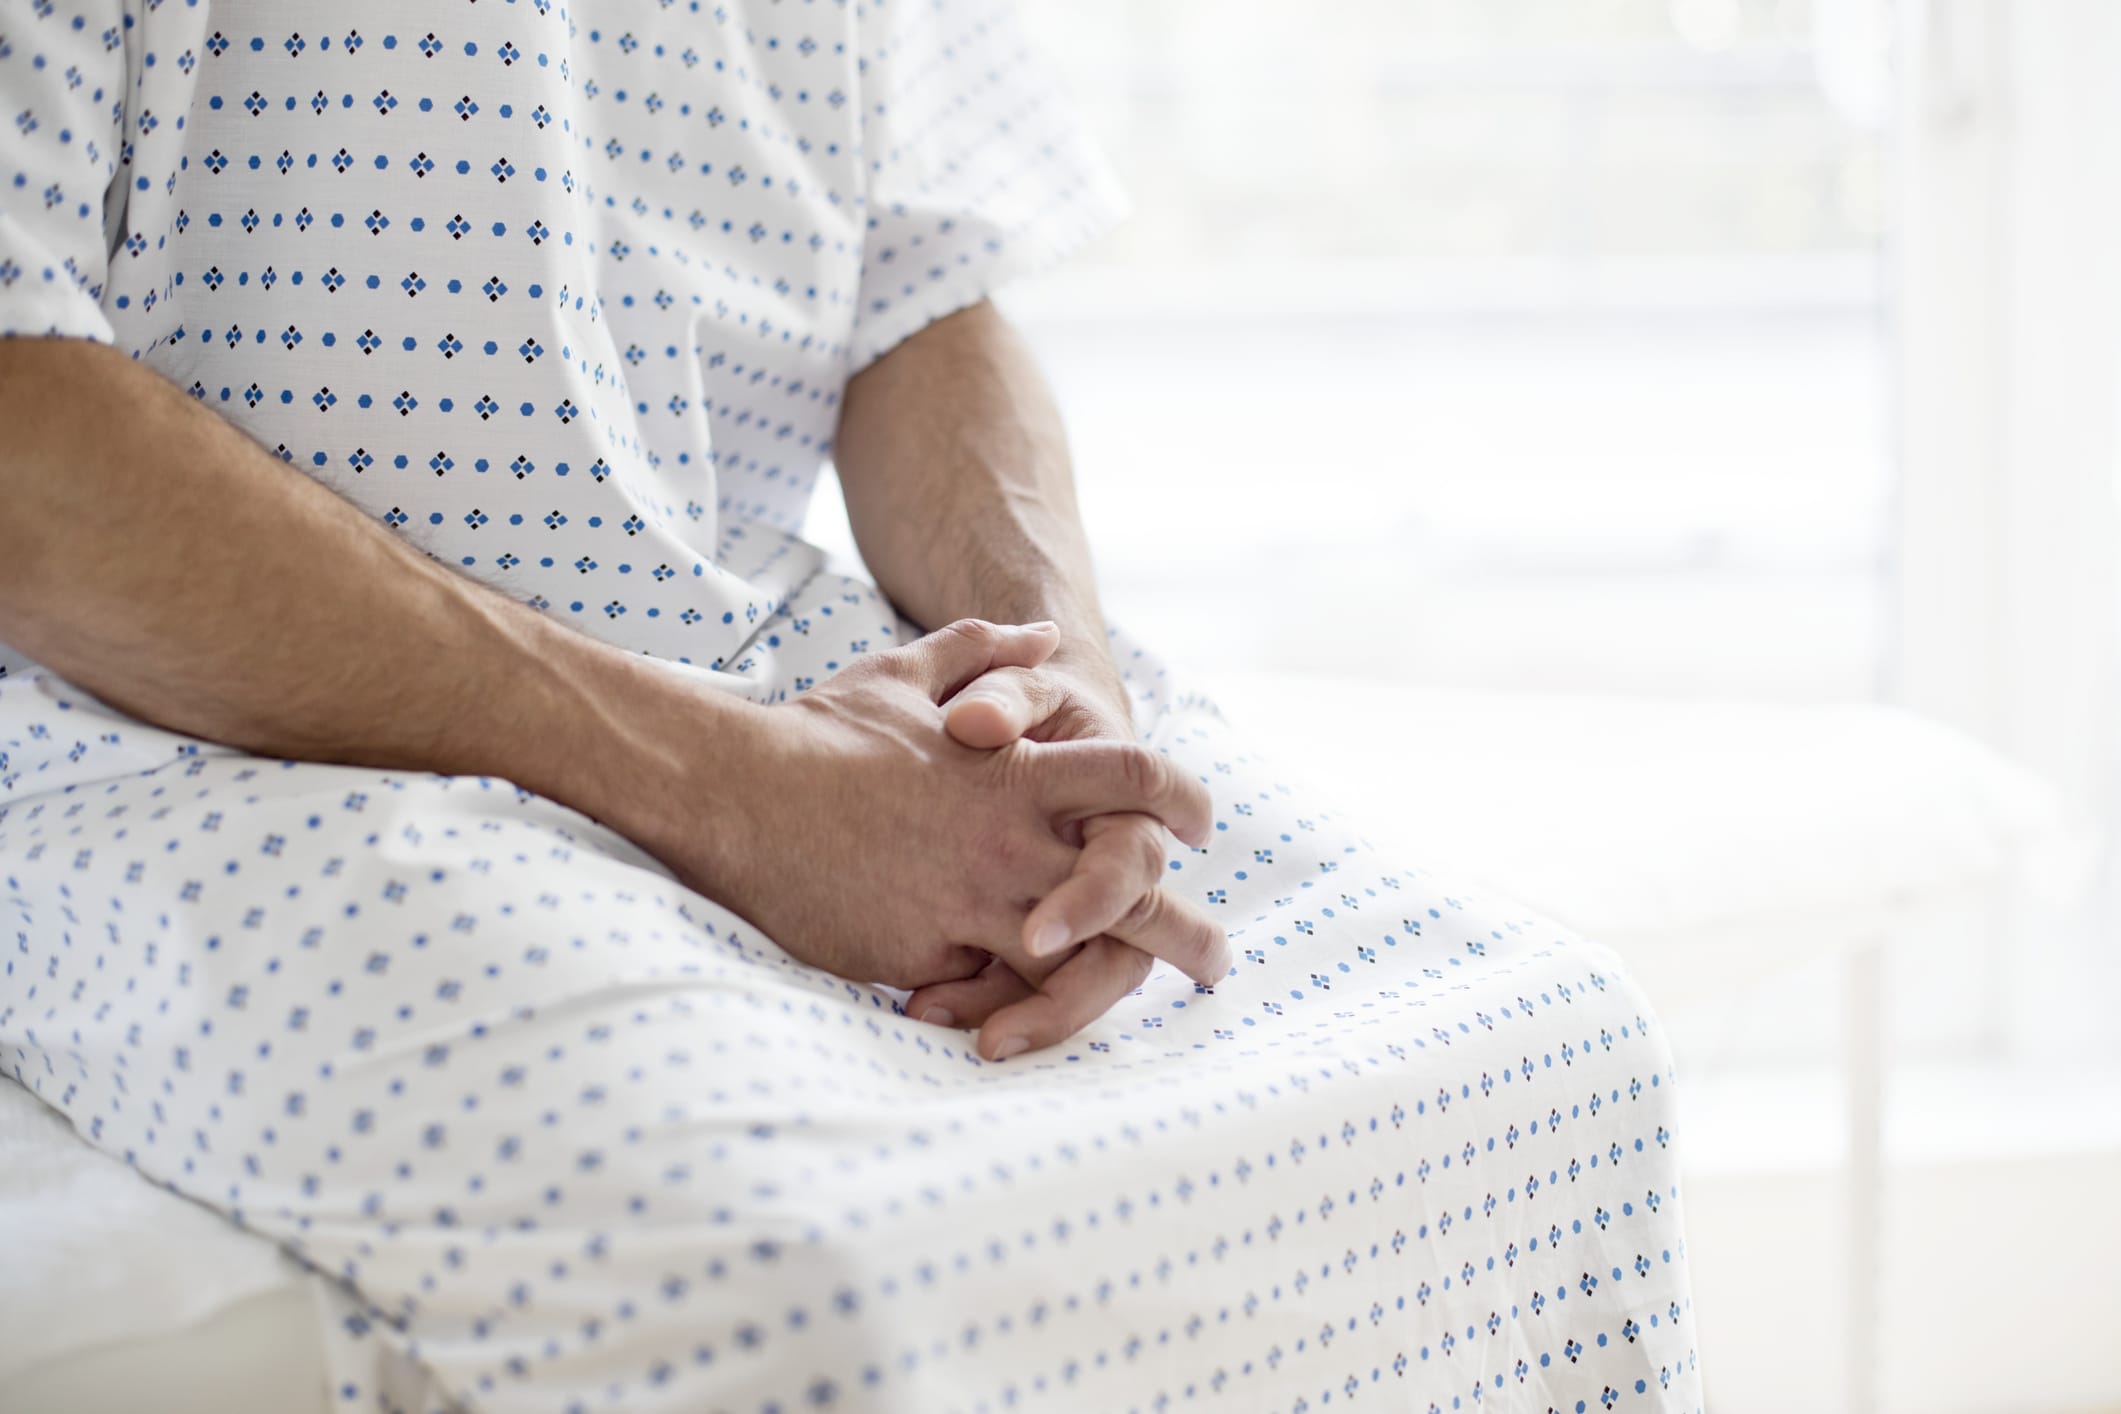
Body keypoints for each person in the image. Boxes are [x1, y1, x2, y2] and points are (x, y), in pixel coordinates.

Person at [0, 1, 1702, 1410]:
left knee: (1554, 1059)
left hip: (798, 671)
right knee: (792, 1288)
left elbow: (927, 291)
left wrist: (1056, 725)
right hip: (198, 743)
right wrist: (748, 798)